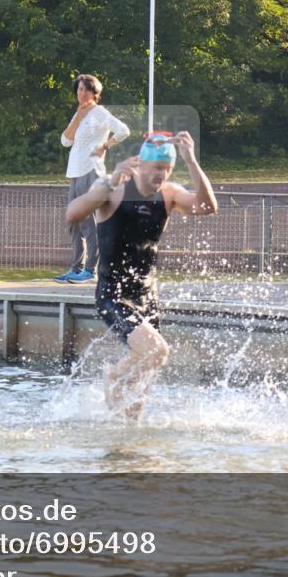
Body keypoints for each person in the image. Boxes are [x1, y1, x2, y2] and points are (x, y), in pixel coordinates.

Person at [65, 132, 217, 417]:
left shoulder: (169, 194)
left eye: (167, 169)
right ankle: (112, 376)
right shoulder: (114, 188)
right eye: (157, 168)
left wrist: (191, 161)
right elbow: (72, 214)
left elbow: (208, 207)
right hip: (114, 294)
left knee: (139, 392)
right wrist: (108, 182)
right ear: (141, 165)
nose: (161, 175)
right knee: (157, 351)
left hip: (148, 297)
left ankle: (125, 447)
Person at [56, 74, 130, 283]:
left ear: (95, 93)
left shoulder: (100, 113)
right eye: (79, 90)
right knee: (73, 221)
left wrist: (105, 145)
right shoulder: (79, 113)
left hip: (91, 170)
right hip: (75, 171)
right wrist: (78, 118)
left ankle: (90, 270)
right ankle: (76, 267)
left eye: (87, 90)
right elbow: (65, 141)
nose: (82, 93)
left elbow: (124, 130)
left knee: (89, 223)